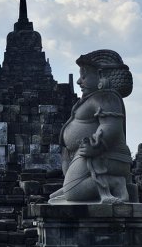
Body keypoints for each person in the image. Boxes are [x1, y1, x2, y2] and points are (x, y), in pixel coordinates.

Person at [50, 49, 135, 204]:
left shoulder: (108, 98)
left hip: (105, 156)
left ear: (101, 76)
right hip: (87, 156)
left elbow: (111, 126)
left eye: (84, 75)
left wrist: (96, 146)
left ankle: (115, 184)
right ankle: (77, 185)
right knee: (57, 196)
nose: (79, 81)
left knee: (72, 192)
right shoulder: (93, 98)